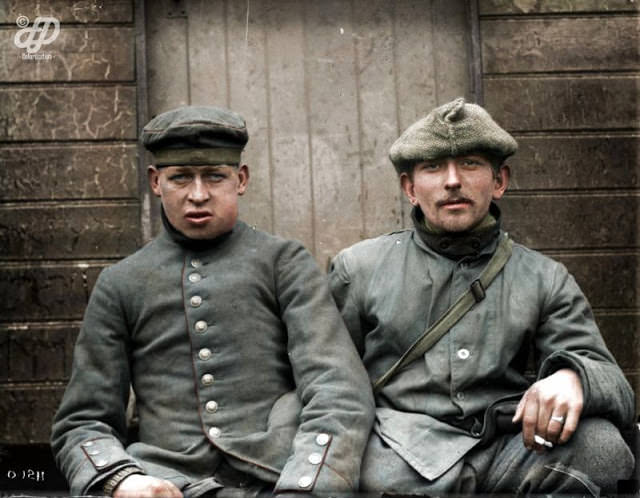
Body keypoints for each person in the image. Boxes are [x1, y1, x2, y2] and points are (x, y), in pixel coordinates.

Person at [51, 106, 374, 498]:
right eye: (181, 178)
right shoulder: (121, 283)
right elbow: (83, 420)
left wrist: (306, 485)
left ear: (241, 179)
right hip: (166, 485)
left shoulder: (283, 263)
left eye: (215, 177)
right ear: (156, 182)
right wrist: (122, 480)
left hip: (273, 481)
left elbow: (337, 391)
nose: (198, 195)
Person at [329, 97, 636, 496]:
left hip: (508, 450)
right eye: (433, 167)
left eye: (471, 164)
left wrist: (573, 378)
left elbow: (613, 382)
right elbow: (324, 381)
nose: (452, 180)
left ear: (499, 181)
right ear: (409, 188)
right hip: (399, 457)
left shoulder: (544, 278)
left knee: (599, 448)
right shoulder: (359, 269)